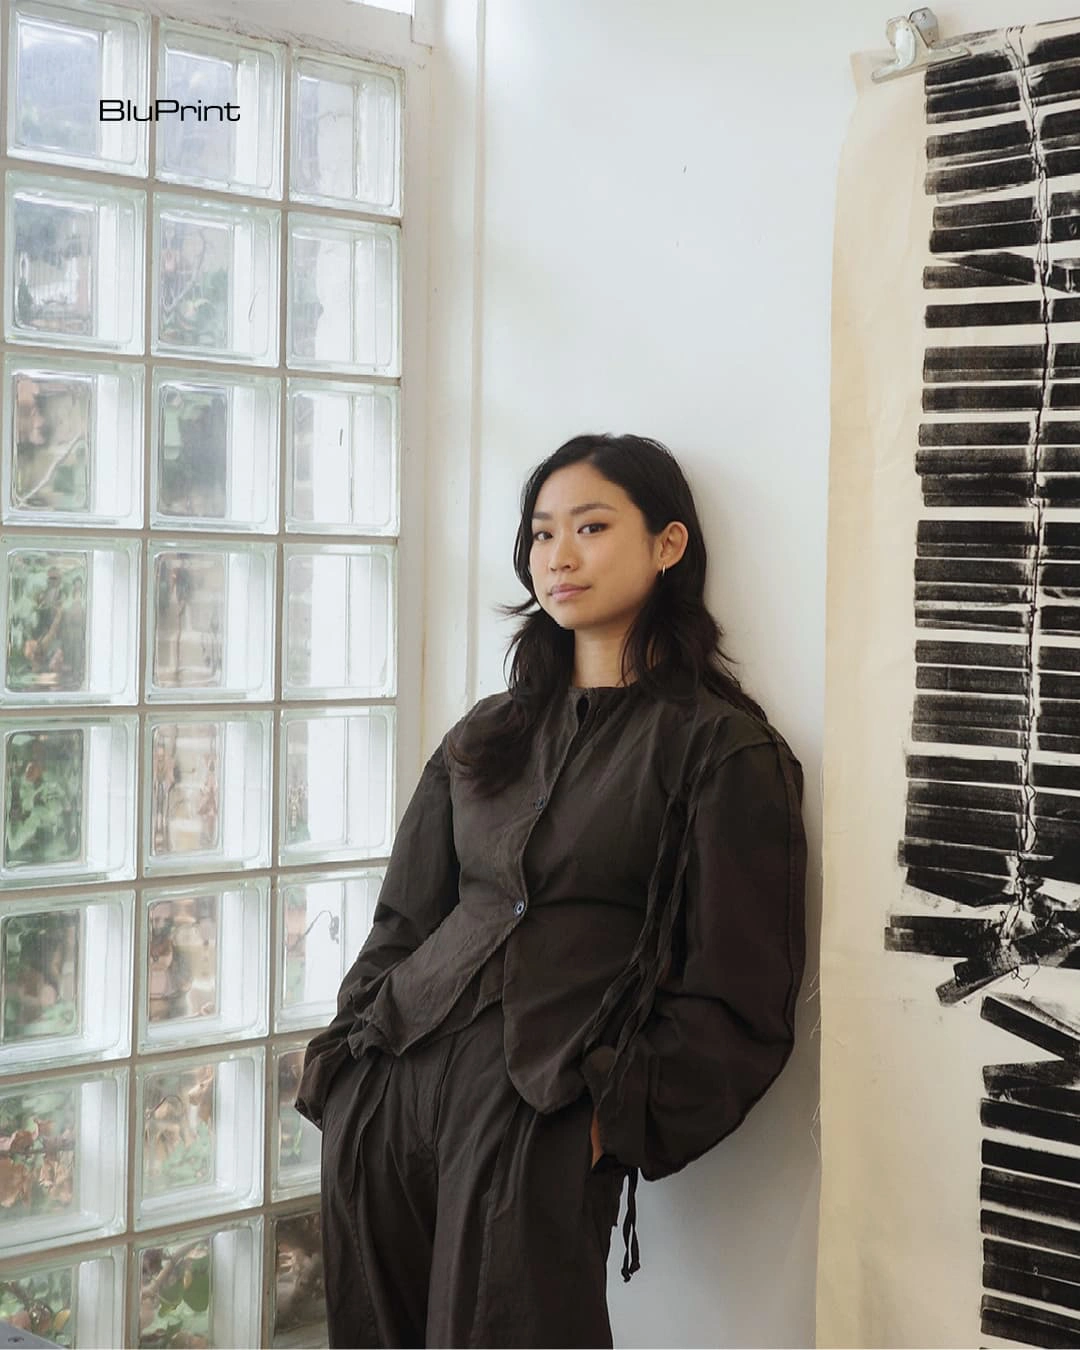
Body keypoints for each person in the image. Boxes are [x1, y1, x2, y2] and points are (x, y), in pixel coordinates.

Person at [295, 433, 808, 1349]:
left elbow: (740, 994)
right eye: (540, 534)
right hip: (391, 1089)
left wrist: (609, 1123)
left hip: (539, 1111)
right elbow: (404, 918)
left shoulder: (722, 751)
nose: (558, 556)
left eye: (591, 527)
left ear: (668, 544)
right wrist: (347, 1063)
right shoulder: (483, 737)